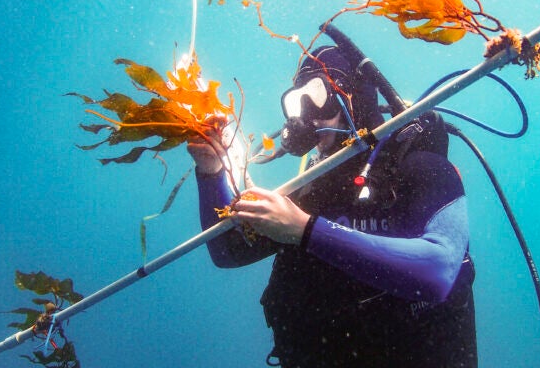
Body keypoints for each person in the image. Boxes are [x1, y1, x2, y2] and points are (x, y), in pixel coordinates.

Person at [187, 45, 477, 367]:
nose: (307, 114)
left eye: (318, 94)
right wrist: (212, 171)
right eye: (297, 102)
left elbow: (438, 273)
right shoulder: (310, 192)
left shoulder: (418, 166)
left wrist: (304, 230)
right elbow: (228, 251)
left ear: (356, 96)